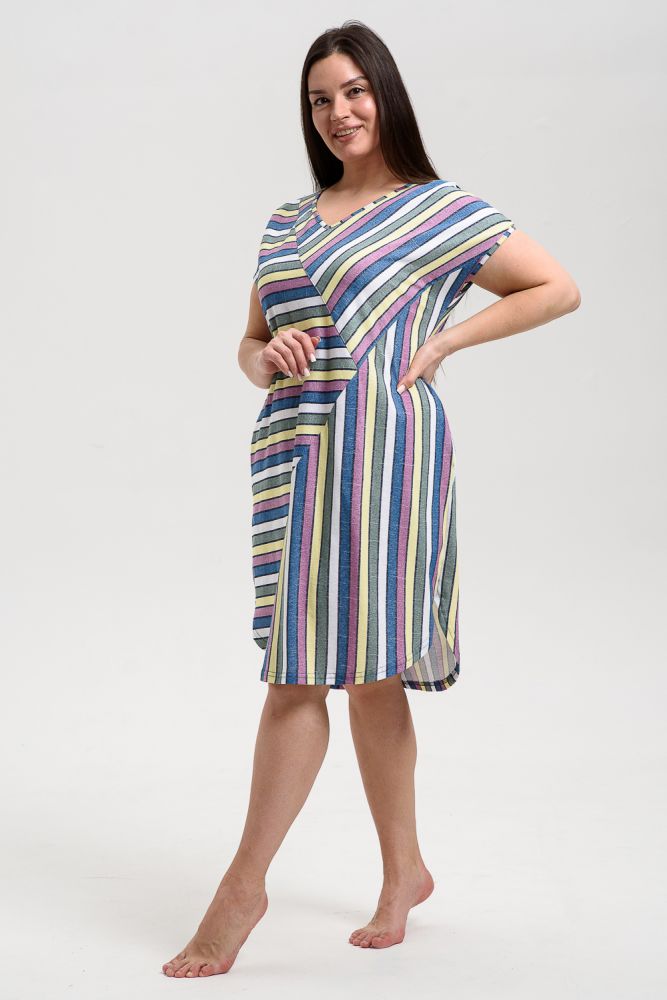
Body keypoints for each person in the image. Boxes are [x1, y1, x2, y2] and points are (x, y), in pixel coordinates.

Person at [162, 20, 580, 979]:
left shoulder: (437, 209)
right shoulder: (287, 220)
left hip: (388, 451)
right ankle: (407, 872)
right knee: (345, 669)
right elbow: (250, 342)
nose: (338, 112)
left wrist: (445, 342)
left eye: (353, 91)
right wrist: (263, 358)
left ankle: (242, 888)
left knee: (320, 671)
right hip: (298, 450)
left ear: (384, 93)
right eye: (320, 99)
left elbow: (555, 287)